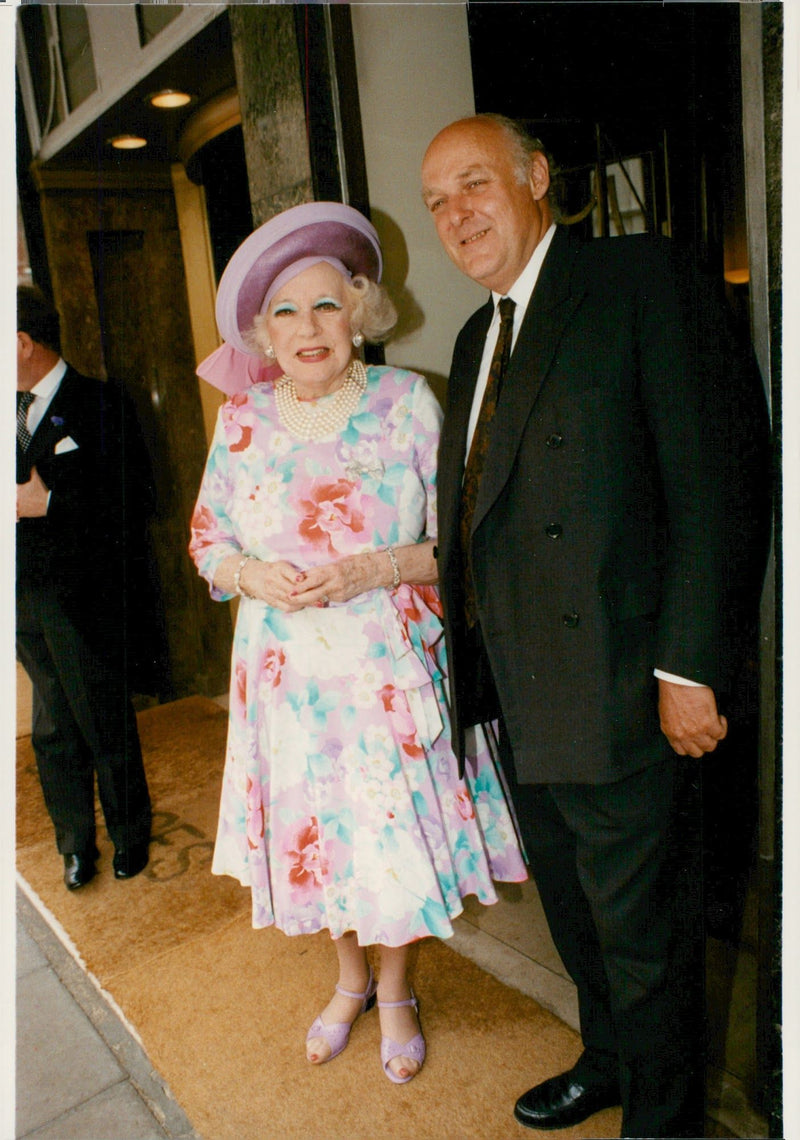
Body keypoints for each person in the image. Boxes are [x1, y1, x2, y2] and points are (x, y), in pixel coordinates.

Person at [421, 114, 770, 1137]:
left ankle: (665, 1120)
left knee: (642, 937)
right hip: (520, 698)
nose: (455, 214)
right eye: (437, 200)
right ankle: (607, 1059)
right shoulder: (474, 334)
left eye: (474, 184)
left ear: (535, 177)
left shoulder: (634, 283)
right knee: (575, 921)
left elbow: (715, 479)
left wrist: (689, 666)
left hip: (620, 683)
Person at [189, 201, 527, 1084]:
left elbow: (459, 544)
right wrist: (249, 574)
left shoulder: (406, 402)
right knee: (318, 838)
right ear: (264, 332)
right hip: (287, 678)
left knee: (390, 836)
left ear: (363, 312)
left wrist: (376, 567)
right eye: (288, 312)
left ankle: (398, 990)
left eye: (328, 305)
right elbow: (207, 540)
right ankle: (348, 981)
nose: (309, 328)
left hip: (385, 670)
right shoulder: (241, 423)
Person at [16, 285, 154, 890]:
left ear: (21, 343)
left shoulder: (100, 402)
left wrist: (53, 502)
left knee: (102, 719)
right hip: (22, 599)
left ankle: (130, 836)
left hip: (85, 595)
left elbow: (139, 497)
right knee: (50, 728)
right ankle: (75, 844)